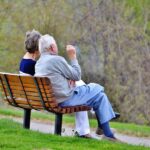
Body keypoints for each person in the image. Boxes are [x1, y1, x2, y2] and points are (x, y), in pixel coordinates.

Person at [35, 34, 118, 141]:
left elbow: (57, 77)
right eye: (55, 44)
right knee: (97, 88)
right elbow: (77, 75)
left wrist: (68, 79)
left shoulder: (39, 63)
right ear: (51, 47)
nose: (57, 47)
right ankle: (106, 124)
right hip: (66, 99)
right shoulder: (56, 60)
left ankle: (107, 133)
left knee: (100, 97)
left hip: (52, 100)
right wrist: (73, 57)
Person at [19, 30, 91, 138]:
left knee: (78, 84)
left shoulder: (25, 62)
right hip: (44, 99)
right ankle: (85, 127)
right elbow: (51, 80)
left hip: (31, 97)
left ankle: (90, 114)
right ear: (38, 47)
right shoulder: (33, 65)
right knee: (79, 84)